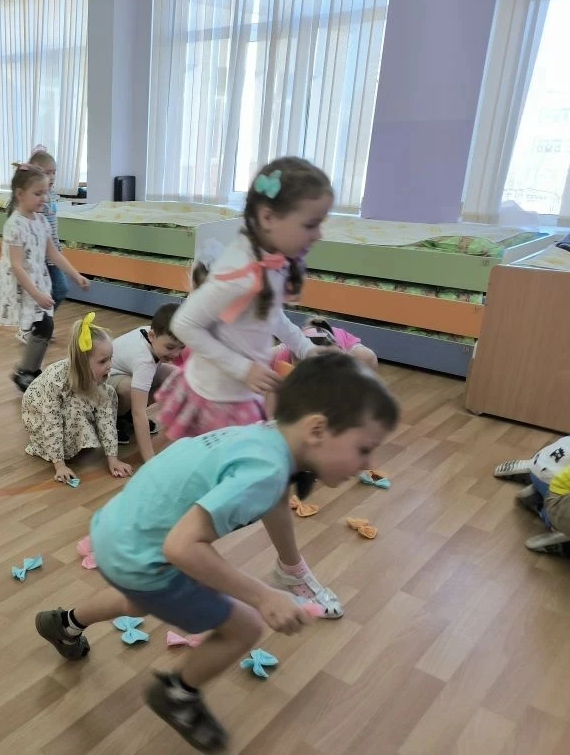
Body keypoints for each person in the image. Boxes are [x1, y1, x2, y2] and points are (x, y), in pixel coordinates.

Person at [34, 352, 399, 752]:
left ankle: (65, 623)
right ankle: (177, 694)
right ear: (317, 429)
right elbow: (182, 546)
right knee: (245, 626)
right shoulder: (267, 471)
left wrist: (292, 567)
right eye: (364, 448)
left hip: (116, 529)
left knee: (135, 599)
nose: (367, 463)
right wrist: (264, 596)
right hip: (145, 554)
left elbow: (275, 503)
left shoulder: (266, 437)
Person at [157, 157, 334, 441]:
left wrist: (305, 348)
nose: (318, 235)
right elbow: (184, 324)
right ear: (268, 218)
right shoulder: (239, 273)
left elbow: (269, 313)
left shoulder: (272, 259)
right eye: (311, 225)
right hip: (216, 398)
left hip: (240, 391)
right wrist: (243, 369)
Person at [0, 163, 89, 392]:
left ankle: (29, 369)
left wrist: (75, 275)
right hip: (22, 284)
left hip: (38, 281)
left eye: (46, 192)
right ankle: (25, 371)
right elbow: (17, 266)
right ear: (20, 194)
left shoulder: (41, 221)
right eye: (38, 193)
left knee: (44, 327)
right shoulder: (14, 225)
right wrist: (37, 294)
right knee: (45, 325)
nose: (44, 198)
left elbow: (53, 254)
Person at [22, 313, 134, 483]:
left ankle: (74, 438)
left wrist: (113, 459)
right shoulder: (57, 380)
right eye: (103, 361)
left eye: (110, 359)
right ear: (82, 362)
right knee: (73, 410)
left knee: (108, 394)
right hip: (38, 414)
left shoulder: (97, 377)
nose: (110, 366)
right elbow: (51, 422)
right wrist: (60, 465)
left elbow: (106, 417)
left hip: (69, 401)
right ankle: (58, 448)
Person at [109, 303, 185, 461]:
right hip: (103, 385)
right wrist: (150, 460)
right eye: (170, 347)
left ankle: (126, 417)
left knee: (176, 377)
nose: (176, 354)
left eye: (181, 347)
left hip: (126, 374)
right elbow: (139, 412)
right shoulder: (144, 361)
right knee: (131, 391)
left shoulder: (155, 334)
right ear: (151, 336)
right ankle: (113, 420)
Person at [15, 145, 67, 344]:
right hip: (36, 257)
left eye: (54, 172)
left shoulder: (50, 195)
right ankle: (27, 327)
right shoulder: (31, 199)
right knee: (36, 295)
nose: (51, 177)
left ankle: (43, 323)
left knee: (60, 290)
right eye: (47, 172)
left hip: (53, 254)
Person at [495, 436, 570, 555]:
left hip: (541, 463)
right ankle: (548, 514)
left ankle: (539, 494)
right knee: (560, 515)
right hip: (555, 487)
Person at [271, 316, 378, 371]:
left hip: (339, 349)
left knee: (366, 356)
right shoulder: (284, 353)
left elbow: (369, 358)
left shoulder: (339, 356)